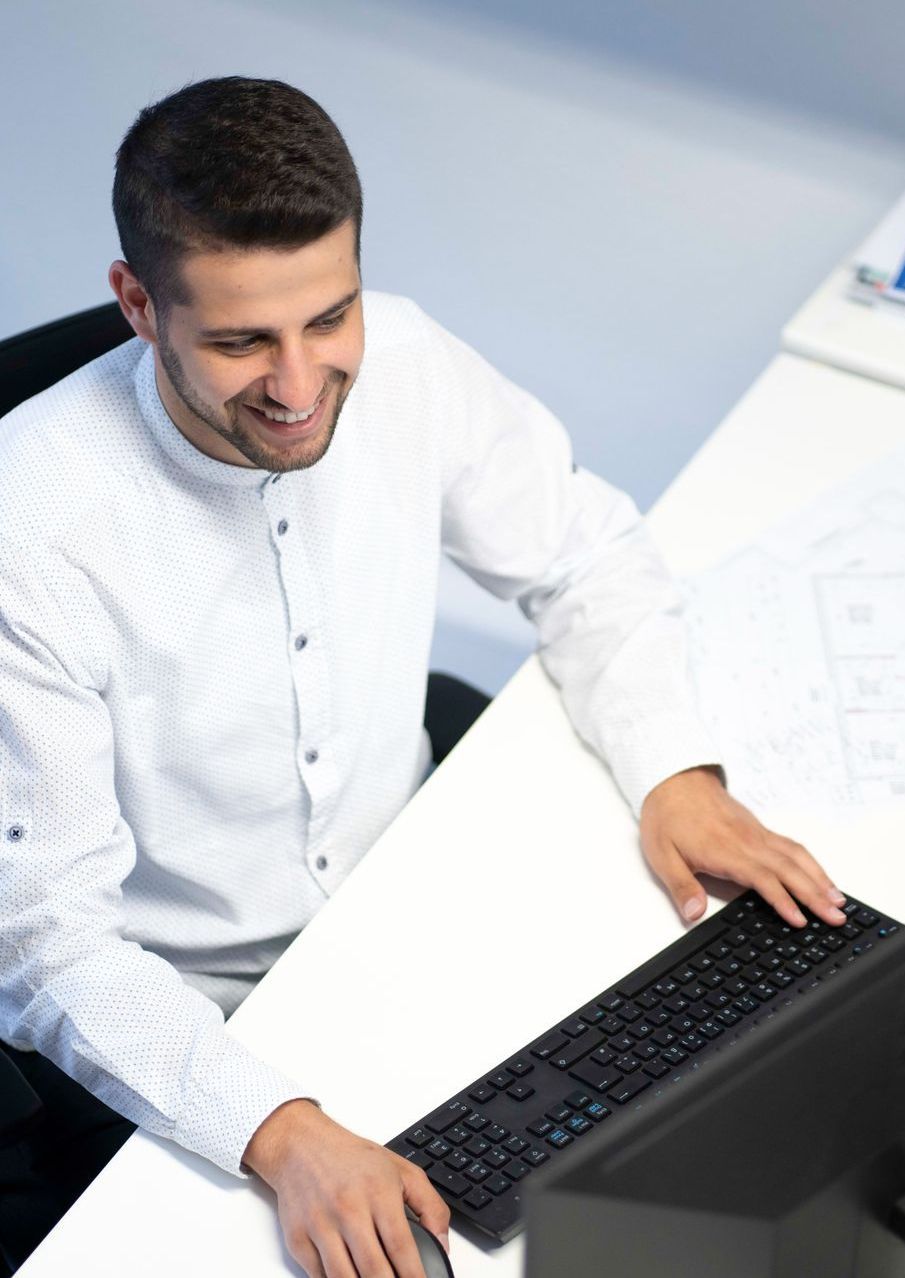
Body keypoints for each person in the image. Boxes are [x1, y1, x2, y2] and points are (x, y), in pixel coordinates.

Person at [0, 75, 848, 1278]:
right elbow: (48, 944)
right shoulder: (28, 536)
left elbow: (584, 553)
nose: (300, 388)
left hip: (406, 897)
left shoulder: (405, 355)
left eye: (327, 319)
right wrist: (280, 1133)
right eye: (242, 342)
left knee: (743, 1127)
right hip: (197, 1008)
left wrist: (675, 774)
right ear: (138, 305)